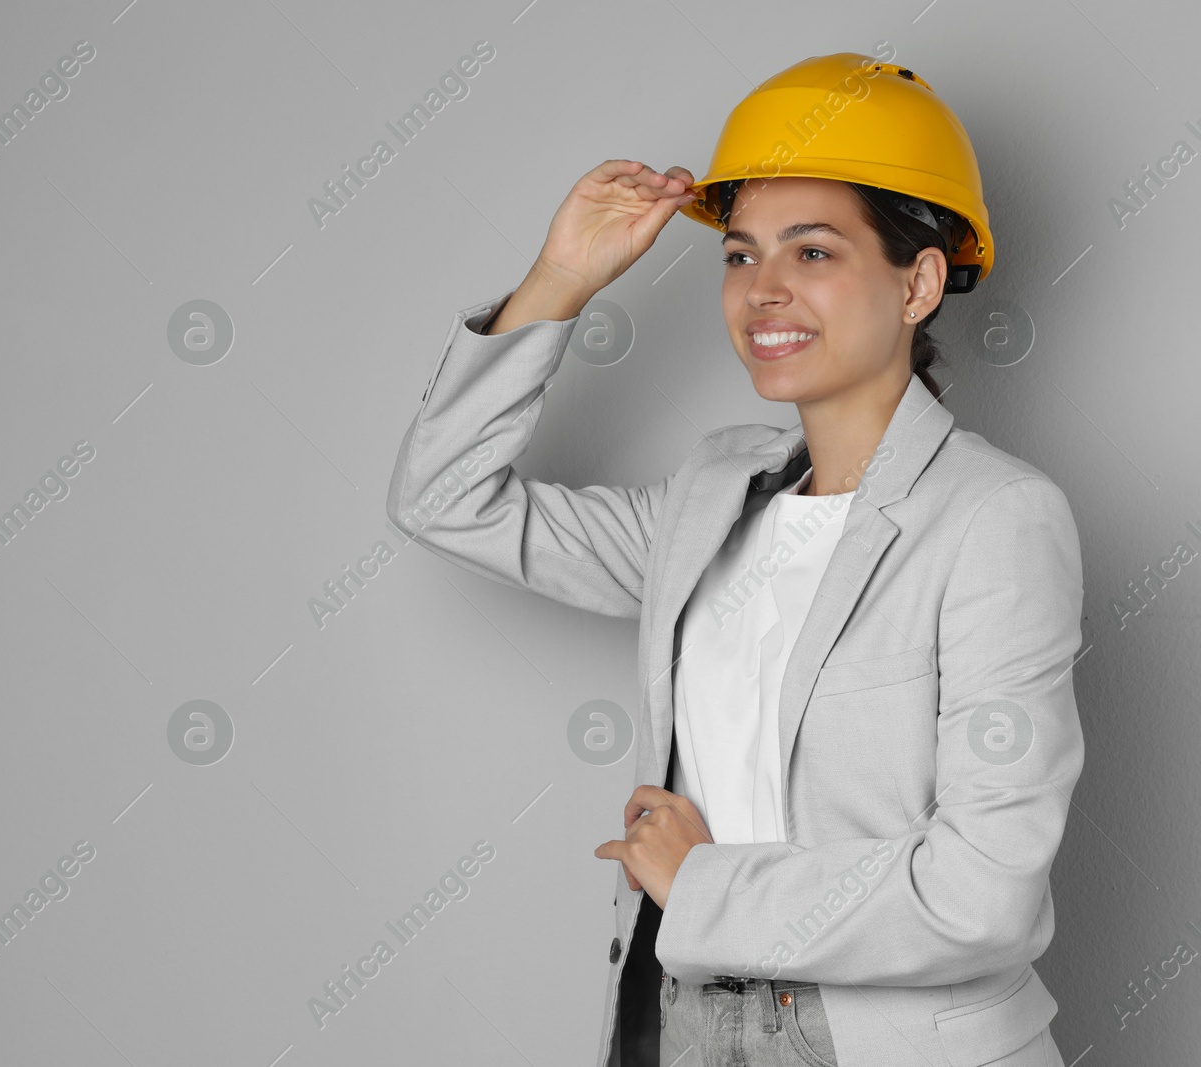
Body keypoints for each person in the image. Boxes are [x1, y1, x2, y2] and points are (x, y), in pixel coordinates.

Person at [385, 53, 1083, 1067]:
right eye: (738, 255)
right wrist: (561, 280)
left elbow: (985, 895)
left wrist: (701, 882)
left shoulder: (995, 519)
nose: (763, 292)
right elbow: (441, 499)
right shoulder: (711, 499)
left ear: (919, 280)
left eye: (811, 253)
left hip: (881, 1039)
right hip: (684, 1014)